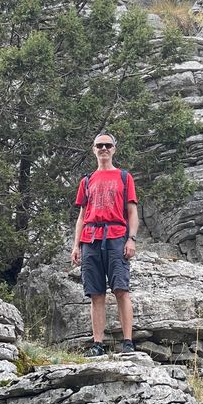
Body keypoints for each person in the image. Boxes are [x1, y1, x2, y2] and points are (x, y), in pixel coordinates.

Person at [71, 132, 139, 356]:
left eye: (107, 145)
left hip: (117, 237)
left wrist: (131, 239)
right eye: (99, 145)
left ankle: (128, 342)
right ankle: (97, 344)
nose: (103, 149)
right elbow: (82, 216)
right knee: (96, 293)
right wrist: (75, 245)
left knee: (121, 289)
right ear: (93, 149)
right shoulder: (87, 180)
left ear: (114, 149)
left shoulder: (123, 177)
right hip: (90, 239)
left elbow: (132, 212)